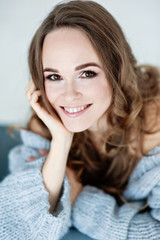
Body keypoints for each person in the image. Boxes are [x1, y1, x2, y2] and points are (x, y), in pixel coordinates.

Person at [0, 0, 160, 239]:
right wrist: (61, 142)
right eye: (54, 76)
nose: (69, 95)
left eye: (87, 73)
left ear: (117, 71)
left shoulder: (155, 127)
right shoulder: (46, 127)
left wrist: (79, 200)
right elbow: (16, 228)